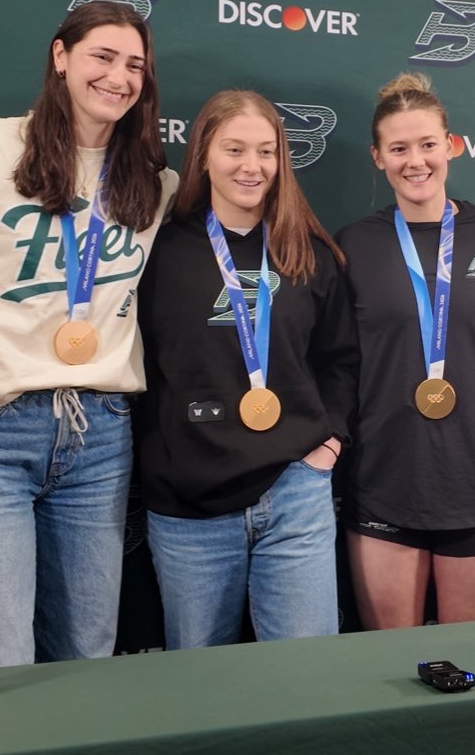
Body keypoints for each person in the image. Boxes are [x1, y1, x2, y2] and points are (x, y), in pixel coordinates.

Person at [0, 0, 178, 668]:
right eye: (102, 57)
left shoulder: (154, 184)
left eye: (134, 65)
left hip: (101, 436)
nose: (119, 77)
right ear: (60, 56)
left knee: (86, 652)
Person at [135, 89, 357, 649]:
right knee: (200, 686)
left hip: (294, 494)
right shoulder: (156, 249)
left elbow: (340, 360)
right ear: (203, 152)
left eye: (266, 151)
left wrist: (326, 446)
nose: (251, 167)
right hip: (189, 509)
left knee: (309, 678)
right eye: (235, 149)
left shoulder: (308, 252)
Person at [337, 73, 475, 629]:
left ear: (451, 146)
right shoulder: (352, 245)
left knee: (471, 667)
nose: (414, 161)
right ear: (377, 157)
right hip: (385, 479)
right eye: (398, 148)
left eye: (426, 145)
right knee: (390, 670)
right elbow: (336, 363)